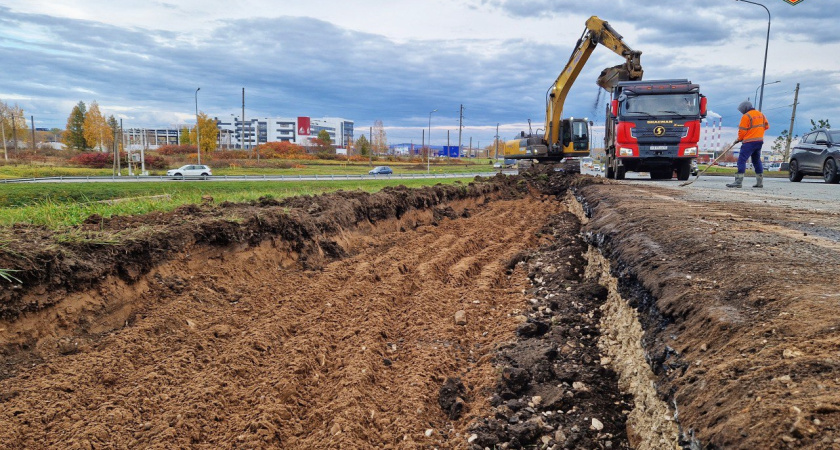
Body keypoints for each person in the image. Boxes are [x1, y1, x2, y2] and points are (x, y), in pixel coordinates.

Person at [727, 100, 769, 188]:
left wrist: (739, 139)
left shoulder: (746, 116)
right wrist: (757, 132)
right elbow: (766, 126)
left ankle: (738, 182)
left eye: (741, 110)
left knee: (741, 160)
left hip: (749, 142)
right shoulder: (761, 114)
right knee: (756, 161)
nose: (741, 112)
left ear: (745, 108)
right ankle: (759, 182)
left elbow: (742, 131)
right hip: (759, 141)